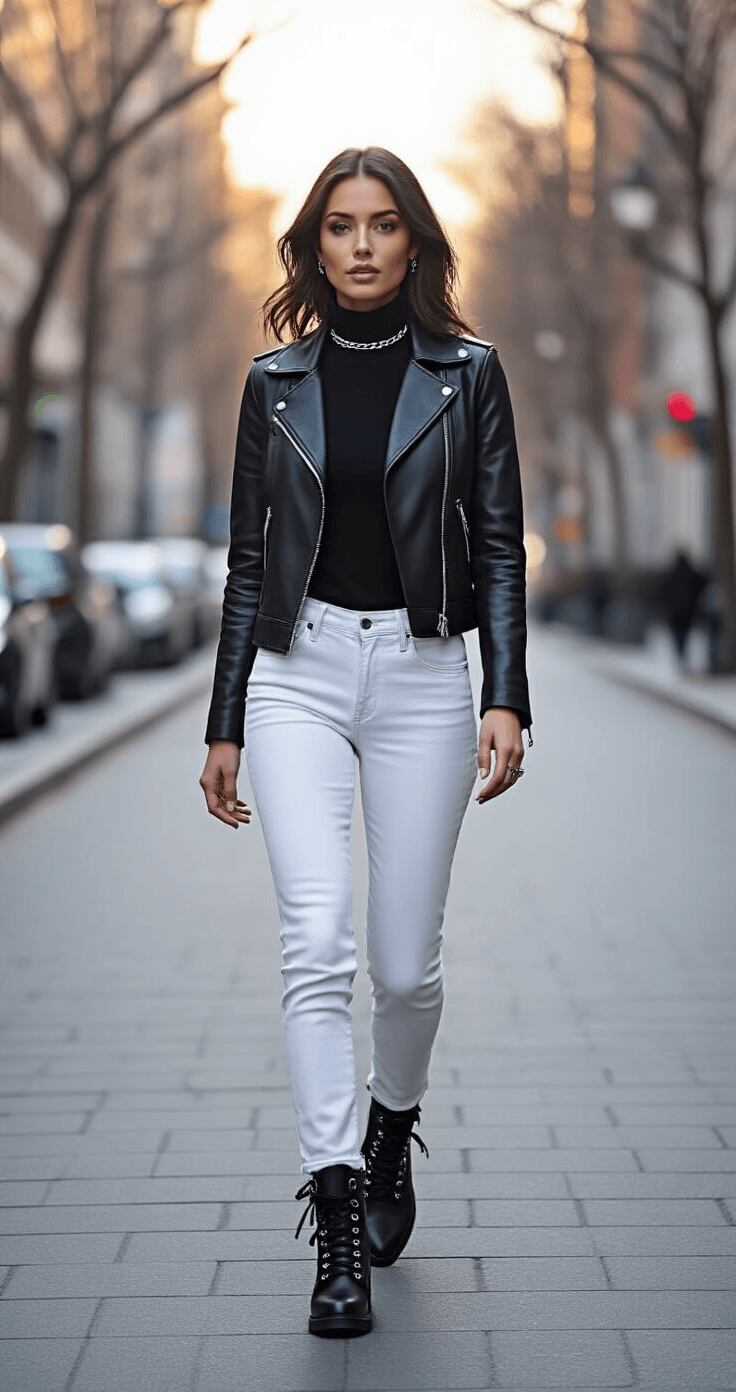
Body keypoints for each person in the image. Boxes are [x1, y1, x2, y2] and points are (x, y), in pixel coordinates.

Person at [199, 147, 532, 1338]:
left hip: (425, 670)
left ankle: (392, 1125)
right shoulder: (272, 381)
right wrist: (226, 717)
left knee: (403, 966)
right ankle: (336, 1209)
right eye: (338, 226)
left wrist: (508, 693)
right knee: (315, 941)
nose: (359, 245)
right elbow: (250, 563)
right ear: (313, 243)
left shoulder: (469, 375)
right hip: (297, 672)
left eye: (382, 226)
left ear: (415, 243)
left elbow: (496, 541)